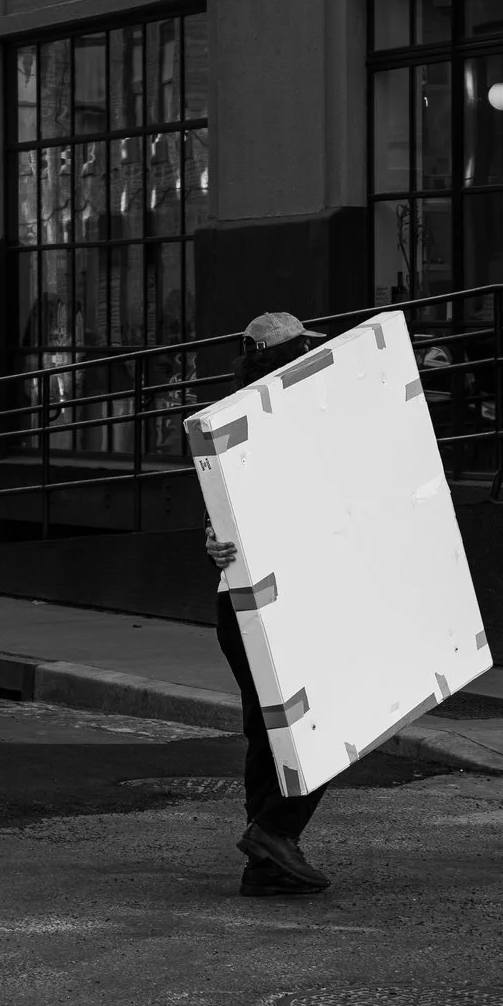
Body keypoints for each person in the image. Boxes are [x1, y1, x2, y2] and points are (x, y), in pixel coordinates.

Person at [203, 311, 336, 898]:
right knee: (322, 720)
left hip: (247, 602)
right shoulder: (254, 420)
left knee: (268, 732)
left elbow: (217, 520)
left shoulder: (249, 417)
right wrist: (214, 542)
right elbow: (220, 518)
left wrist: (212, 541)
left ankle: (266, 863)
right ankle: (275, 834)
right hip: (263, 601)